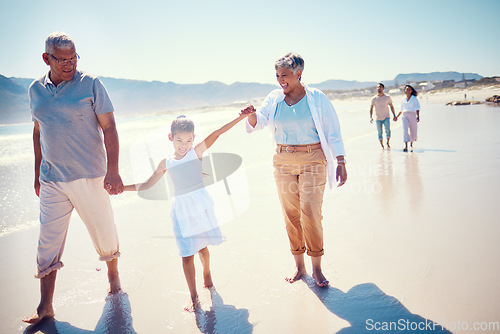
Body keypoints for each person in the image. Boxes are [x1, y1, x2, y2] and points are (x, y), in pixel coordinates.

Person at [23, 32, 123, 324]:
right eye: (62, 59)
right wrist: (37, 172)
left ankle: (113, 275)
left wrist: (113, 170)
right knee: (47, 241)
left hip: (90, 174)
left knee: (104, 233)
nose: (69, 64)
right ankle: (45, 306)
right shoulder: (34, 90)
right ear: (47, 59)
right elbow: (38, 131)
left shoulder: (90, 83)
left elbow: (110, 127)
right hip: (52, 178)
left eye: (73, 58)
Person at [123, 113, 251, 311]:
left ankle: (207, 273)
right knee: (186, 254)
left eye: (189, 139)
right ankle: (193, 296)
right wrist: (121, 188)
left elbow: (218, 133)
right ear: (170, 138)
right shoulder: (166, 162)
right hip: (181, 211)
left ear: (194, 137)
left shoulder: (196, 152)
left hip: (199, 207)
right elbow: (147, 185)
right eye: (179, 140)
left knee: (202, 248)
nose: (184, 144)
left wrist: (241, 117)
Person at [242, 52, 347, 287]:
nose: (281, 80)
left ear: (299, 74)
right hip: (283, 160)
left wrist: (341, 161)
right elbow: (260, 121)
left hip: (313, 159)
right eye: (277, 75)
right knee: (291, 215)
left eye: (285, 75)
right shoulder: (274, 98)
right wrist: (250, 116)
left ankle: (317, 268)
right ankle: (299, 267)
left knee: (310, 213)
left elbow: (333, 131)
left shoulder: (317, 98)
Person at [370, 83, 397, 149]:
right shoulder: (374, 98)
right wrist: (371, 117)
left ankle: (387, 142)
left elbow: (391, 106)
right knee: (379, 132)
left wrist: (394, 115)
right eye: (378, 87)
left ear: (383, 88)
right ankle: (382, 145)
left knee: (388, 130)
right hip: (378, 118)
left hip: (386, 117)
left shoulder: (387, 97)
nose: (379, 88)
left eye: (380, 87)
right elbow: (371, 108)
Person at [395, 84, 420, 152]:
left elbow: (417, 108)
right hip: (405, 115)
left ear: (411, 91)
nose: (407, 91)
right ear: (404, 91)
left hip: (412, 115)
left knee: (413, 130)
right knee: (405, 130)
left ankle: (411, 144)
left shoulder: (414, 98)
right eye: (406, 89)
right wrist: (396, 117)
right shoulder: (403, 99)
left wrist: (418, 116)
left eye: (409, 89)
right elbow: (401, 109)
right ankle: (405, 146)